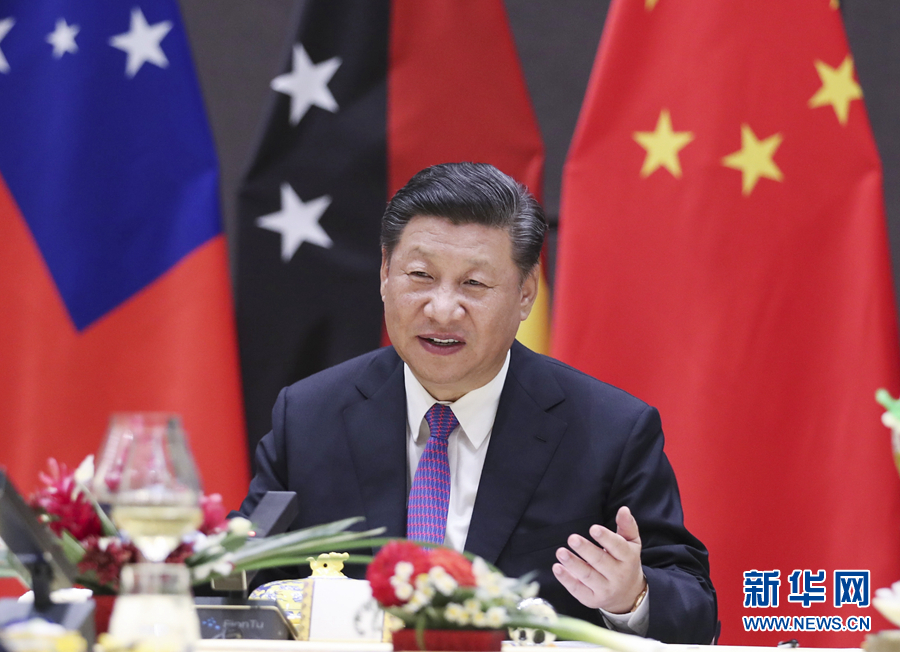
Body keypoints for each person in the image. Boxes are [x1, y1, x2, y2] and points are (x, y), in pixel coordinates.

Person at [239, 162, 716, 644]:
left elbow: (696, 611)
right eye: (420, 275)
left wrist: (630, 598)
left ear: (525, 294)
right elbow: (243, 586)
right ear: (385, 273)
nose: (443, 309)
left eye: (474, 284)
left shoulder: (609, 431)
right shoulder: (309, 416)